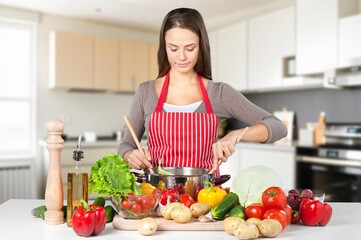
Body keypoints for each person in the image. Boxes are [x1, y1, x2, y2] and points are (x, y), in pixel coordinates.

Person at [118, 8, 287, 175]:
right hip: (158, 196)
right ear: (164, 48)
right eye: (173, 48)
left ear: (201, 47)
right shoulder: (145, 92)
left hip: (205, 196)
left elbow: (278, 126)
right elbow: (125, 145)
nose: (182, 57)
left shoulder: (219, 93)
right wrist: (130, 155)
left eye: (190, 48)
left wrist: (235, 135)